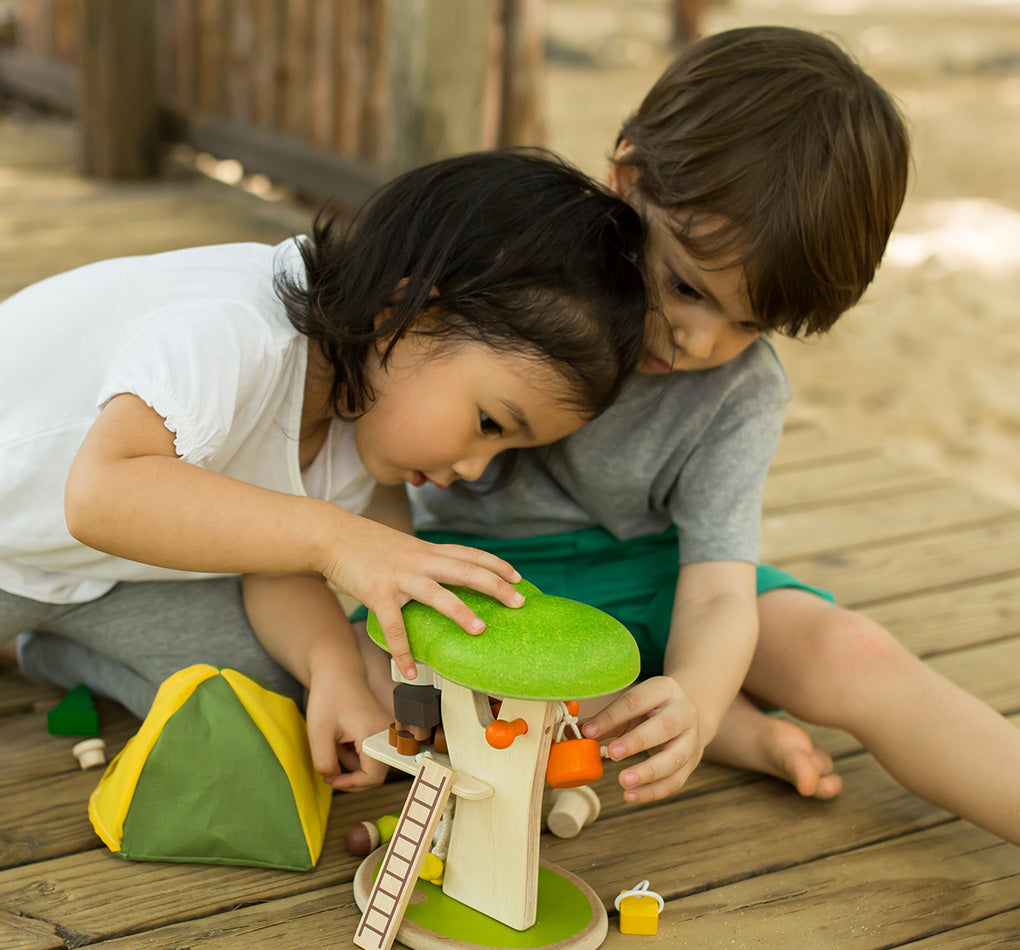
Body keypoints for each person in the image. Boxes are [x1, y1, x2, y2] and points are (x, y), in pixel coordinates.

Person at [410, 27, 1020, 848]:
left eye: (751, 321)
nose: (701, 341)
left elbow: (718, 592)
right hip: (488, 590)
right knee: (466, 702)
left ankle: (699, 714)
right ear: (625, 182)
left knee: (855, 655)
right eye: (686, 287)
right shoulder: (518, 269)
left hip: (659, 584)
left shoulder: (740, 390)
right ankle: (730, 730)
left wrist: (696, 691)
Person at [0, 150, 647, 792]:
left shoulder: (365, 419)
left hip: (97, 576)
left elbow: (273, 562)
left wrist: (334, 666)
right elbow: (101, 496)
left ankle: (46, 646)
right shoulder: (235, 329)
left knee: (281, 695)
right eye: (488, 424)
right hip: (36, 546)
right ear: (406, 314)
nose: (474, 467)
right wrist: (339, 541)